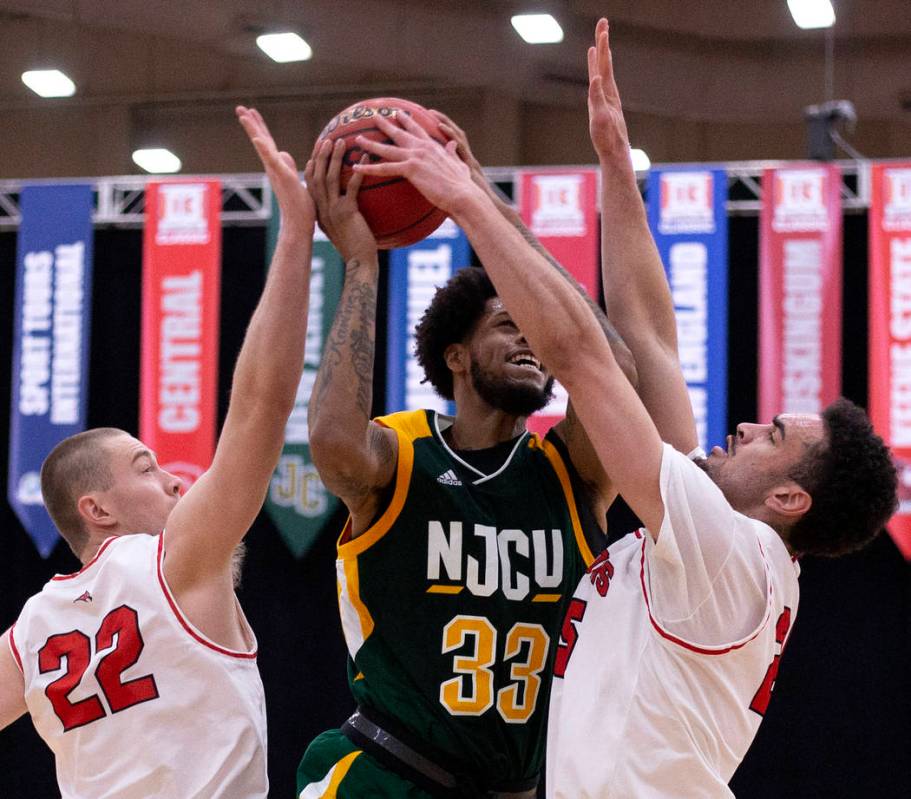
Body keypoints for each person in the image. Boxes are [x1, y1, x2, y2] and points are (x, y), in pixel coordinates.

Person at [344, 18, 898, 798]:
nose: (742, 426)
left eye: (770, 434)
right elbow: (650, 340)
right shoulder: (711, 542)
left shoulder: (727, 551)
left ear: (787, 497)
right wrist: (613, 163)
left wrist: (470, 202)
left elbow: (582, 358)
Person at [296, 119, 636, 797]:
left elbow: (613, 372)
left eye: (536, 333)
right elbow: (333, 444)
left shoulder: (571, 471)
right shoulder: (402, 453)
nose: (532, 344)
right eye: (509, 326)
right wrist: (360, 264)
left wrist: (484, 203)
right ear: (455, 356)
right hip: (388, 775)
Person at [0, 106, 316, 798]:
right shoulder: (173, 560)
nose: (176, 480)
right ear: (97, 508)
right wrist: (296, 235)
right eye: (147, 468)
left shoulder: (32, 627)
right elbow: (260, 408)